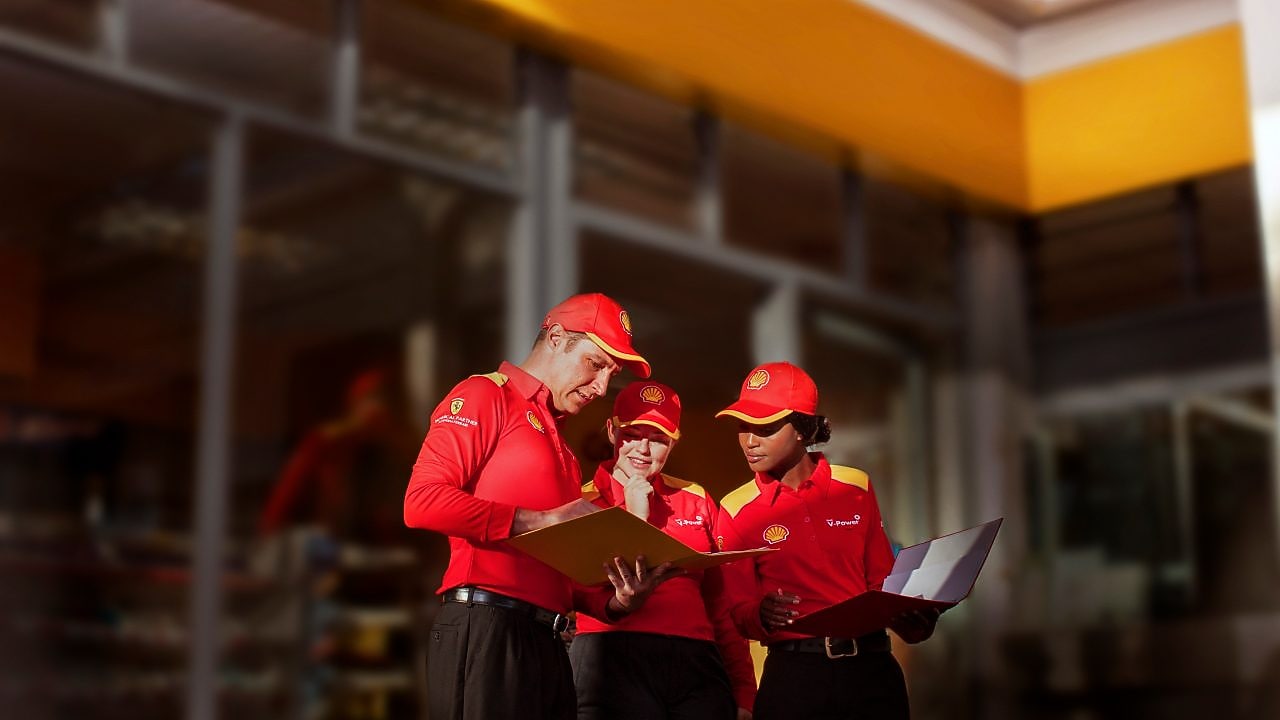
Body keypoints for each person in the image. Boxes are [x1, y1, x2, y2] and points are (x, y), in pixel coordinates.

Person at [403, 293, 678, 720]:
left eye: (612, 373)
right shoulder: (484, 394)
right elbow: (421, 501)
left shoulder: (564, 451)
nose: (602, 387)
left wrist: (619, 601)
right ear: (554, 337)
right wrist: (542, 519)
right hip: (487, 626)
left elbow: (562, 571)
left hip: (550, 642)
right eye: (596, 364)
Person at [712, 361, 939, 720]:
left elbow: (881, 582)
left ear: (802, 428)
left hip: (873, 672)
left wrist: (909, 619)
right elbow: (734, 613)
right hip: (794, 681)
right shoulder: (735, 509)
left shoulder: (856, 486)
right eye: (743, 427)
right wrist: (760, 614)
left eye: (765, 428)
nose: (749, 441)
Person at [571, 381, 757, 720]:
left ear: (673, 443)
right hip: (611, 659)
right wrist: (634, 513)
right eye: (632, 434)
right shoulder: (581, 503)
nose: (643, 448)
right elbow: (571, 593)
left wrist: (744, 689)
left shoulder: (695, 498)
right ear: (612, 431)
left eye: (657, 439)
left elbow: (720, 603)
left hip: (697, 664)